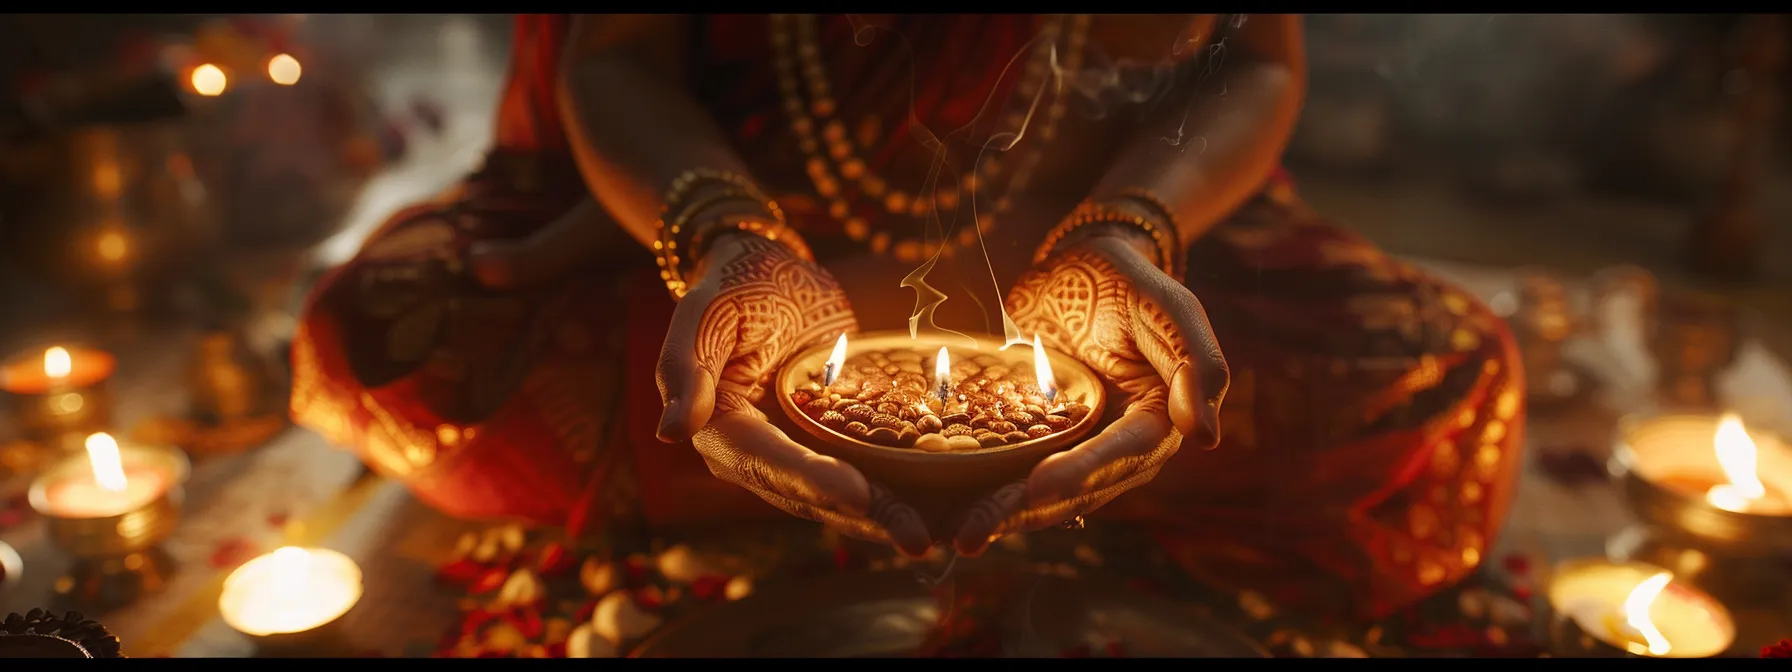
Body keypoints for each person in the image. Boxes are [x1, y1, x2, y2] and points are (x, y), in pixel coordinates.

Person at [292, 14, 1526, 619]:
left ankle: (807, 462)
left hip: (1080, 203)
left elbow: (1255, 62)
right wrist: (717, 233)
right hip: (714, 199)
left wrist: (1127, 233)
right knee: (388, 347)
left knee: (1442, 375)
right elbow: (611, 57)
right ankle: (971, 457)